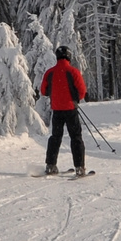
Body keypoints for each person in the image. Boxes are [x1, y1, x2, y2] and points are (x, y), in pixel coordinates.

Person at [40, 47, 89, 178]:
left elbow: (44, 91)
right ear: (68, 56)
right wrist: (75, 99)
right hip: (70, 109)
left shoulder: (50, 72)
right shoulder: (73, 71)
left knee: (55, 137)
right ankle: (79, 167)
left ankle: (50, 165)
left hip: (56, 110)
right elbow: (82, 91)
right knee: (76, 137)